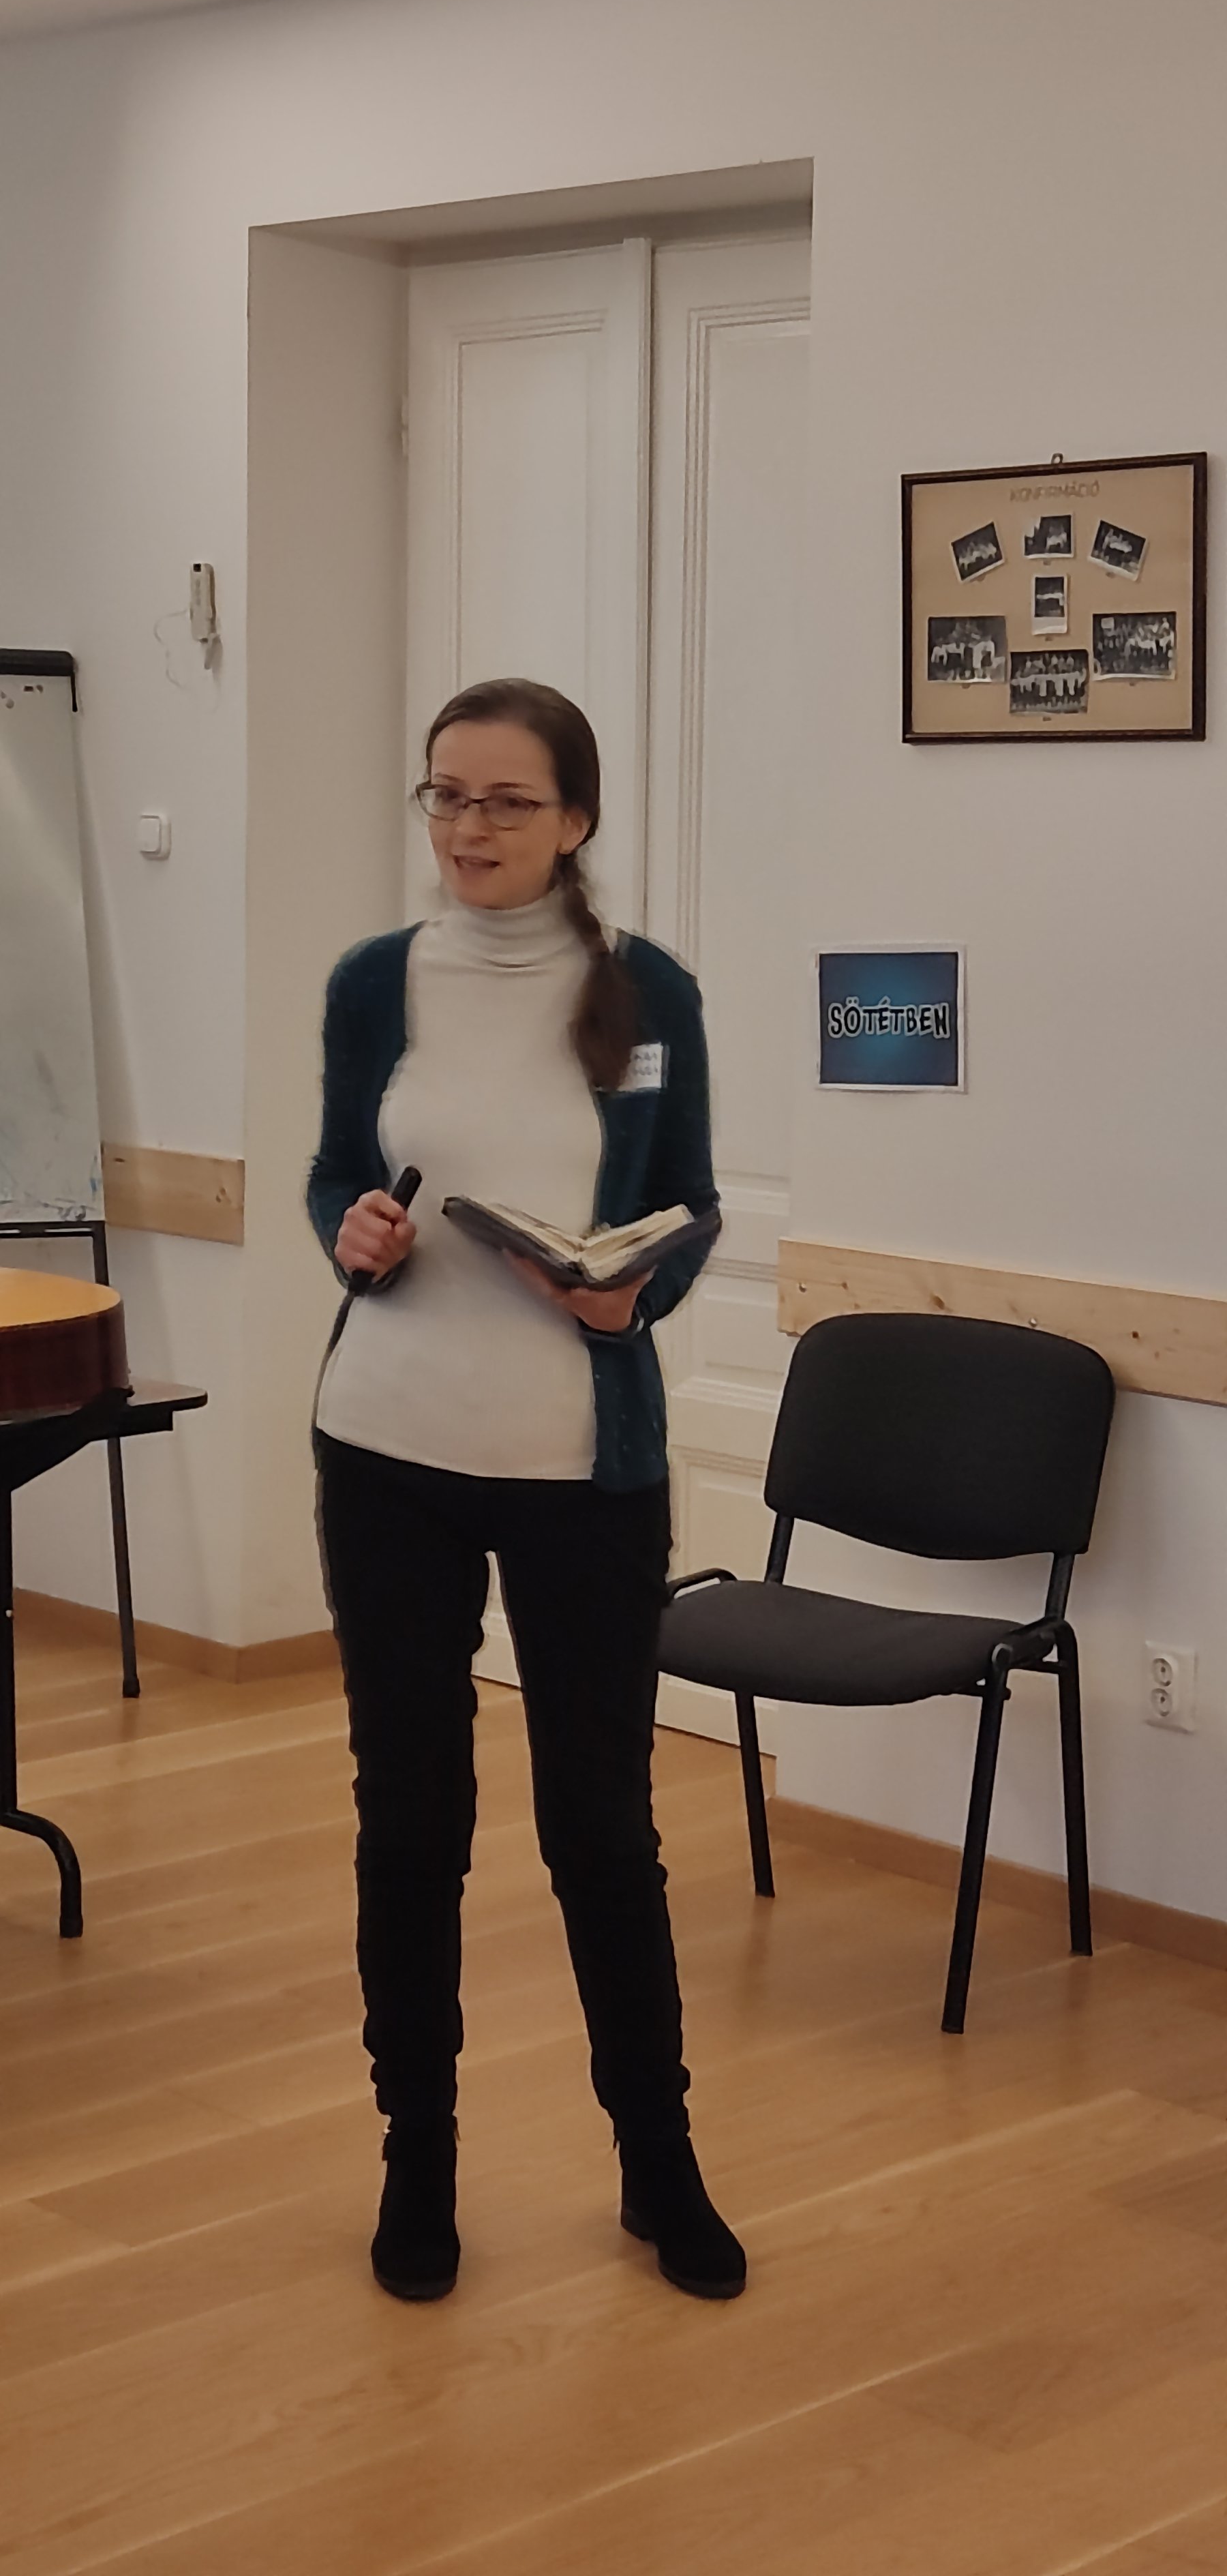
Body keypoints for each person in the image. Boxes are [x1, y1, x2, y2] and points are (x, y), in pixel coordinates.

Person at [308, 676, 746, 2306]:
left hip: (581, 1469)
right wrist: (348, 1223)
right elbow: (334, 1165)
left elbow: (689, 1200)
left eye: (504, 798)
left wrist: (638, 1292)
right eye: (446, 793)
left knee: (600, 1826)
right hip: (385, 1446)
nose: (468, 826)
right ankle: (417, 2161)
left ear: (575, 818)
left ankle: (660, 2163)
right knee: (411, 1821)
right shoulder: (374, 981)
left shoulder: (646, 992)